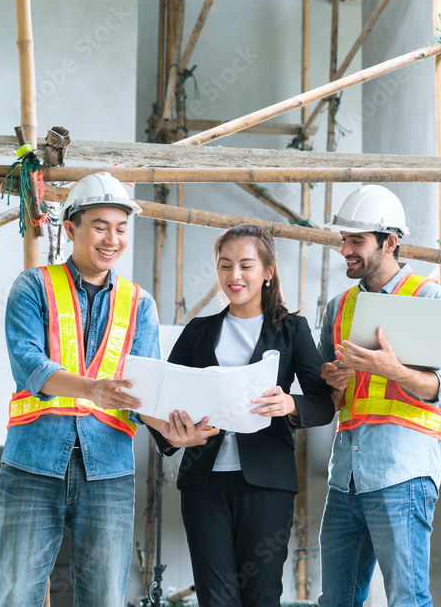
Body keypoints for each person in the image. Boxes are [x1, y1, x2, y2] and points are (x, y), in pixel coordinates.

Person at [146, 224, 334, 607]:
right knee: (216, 599)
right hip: (203, 484)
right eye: (225, 265)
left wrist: (291, 404)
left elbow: (324, 402)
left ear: (267, 272)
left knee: (261, 595)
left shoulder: (292, 330)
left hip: (267, 484)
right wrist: (173, 434)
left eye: (246, 265)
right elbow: (160, 400)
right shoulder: (199, 331)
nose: (234, 276)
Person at [0, 171, 159, 605]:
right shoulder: (34, 287)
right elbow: (28, 363)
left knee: (103, 598)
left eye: (121, 229)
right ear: (70, 228)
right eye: (100, 227)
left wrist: (177, 426)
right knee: (16, 595)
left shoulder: (140, 304)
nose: (112, 239)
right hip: (32, 464)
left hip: (108, 470)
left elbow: (147, 389)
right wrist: (93, 389)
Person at [316, 185, 441, 607]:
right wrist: (331, 380)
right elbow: (328, 395)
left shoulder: (430, 298)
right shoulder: (337, 307)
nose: (345, 248)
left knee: (407, 599)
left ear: (390, 242)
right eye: (343, 239)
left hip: (402, 472)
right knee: (336, 601)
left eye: (356, 241)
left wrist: (394, 371)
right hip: (345, 477)